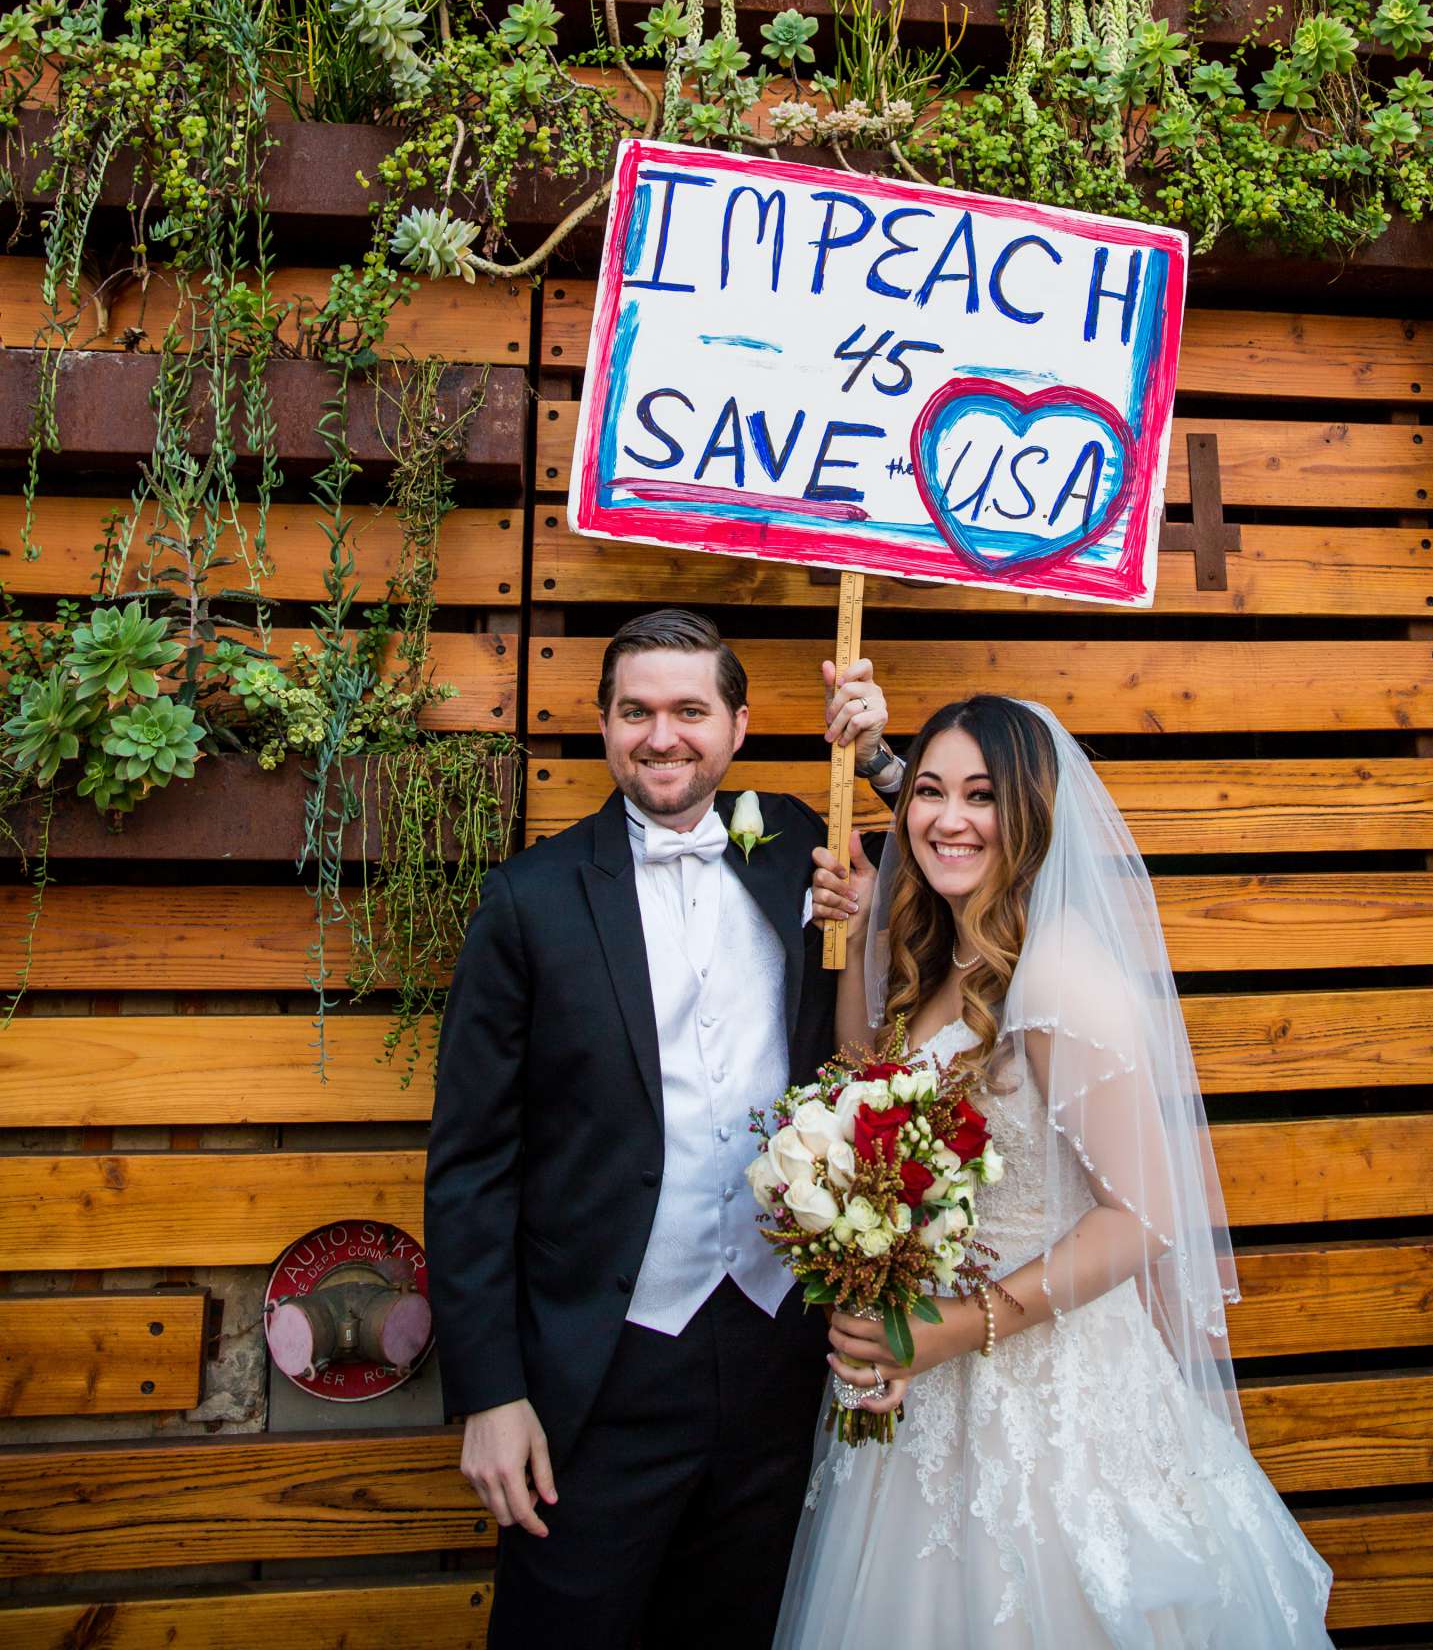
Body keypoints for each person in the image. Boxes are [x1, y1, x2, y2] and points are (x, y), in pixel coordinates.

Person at [783, 694, 1336, 1650]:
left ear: (1031, 812)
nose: (948, 820)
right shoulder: (942, 956)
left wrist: (958, 1327)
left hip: (1041, 1394)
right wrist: (860, 934)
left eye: (981, 796)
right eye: (928, 792)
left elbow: (1138, 1219)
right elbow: (864, 1095)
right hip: (923, 1385)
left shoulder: (1063, 977)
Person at [423, 606, 900, 1648]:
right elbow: (470, 1164)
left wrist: (881, 764)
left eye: (690, 710)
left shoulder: (805, 852)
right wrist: (490, 1394)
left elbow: (975, 862)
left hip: (780, 1344)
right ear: (603, 727)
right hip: (603, 1365)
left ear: (735, 727)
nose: (662, 735)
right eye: (634, 711)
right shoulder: (528, 900)